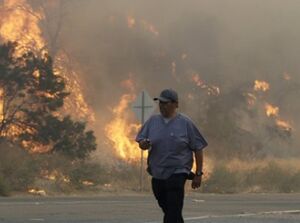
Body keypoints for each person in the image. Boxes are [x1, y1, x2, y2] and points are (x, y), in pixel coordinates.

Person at [135, 89, 208, 223]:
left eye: (165, 103)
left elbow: (198, 148)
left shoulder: (185, 123)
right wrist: (143, 144)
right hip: (157, 173)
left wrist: (198, 174)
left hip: (178, 172)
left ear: (176, 104)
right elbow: (141, 140)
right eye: (160, 103)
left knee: (173, 209)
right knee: (168, 210)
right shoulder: (153, 121)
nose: (162, 106)